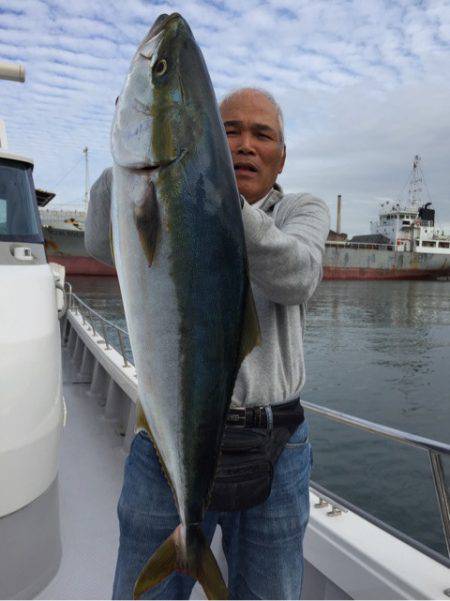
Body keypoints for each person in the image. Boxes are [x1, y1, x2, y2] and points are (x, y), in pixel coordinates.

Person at [85, 87, 330, 600]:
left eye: (261, 135)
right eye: (228, 131)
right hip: (165, 441)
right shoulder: (166, 198)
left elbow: (298, 275)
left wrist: (213, 194)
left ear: (281, 157)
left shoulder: (301, 210)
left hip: (274, 445)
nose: (243, 145)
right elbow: (98, 243)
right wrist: (132, 149)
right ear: (203, 139)